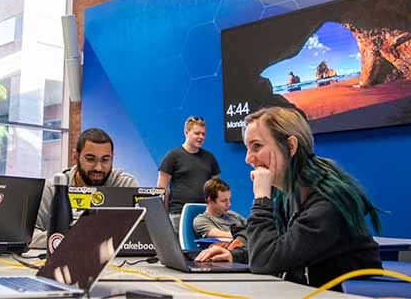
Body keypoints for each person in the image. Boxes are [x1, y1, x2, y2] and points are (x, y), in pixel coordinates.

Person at [195, 107, 381, 289]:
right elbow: (272, 246)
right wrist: (234, 255)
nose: (248, 158)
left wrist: (261, 199)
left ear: (291, 146)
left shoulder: (328, 202)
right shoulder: (286, 196)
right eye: (247, 148)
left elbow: (265, 261)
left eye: (257, 146)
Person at [32, 128, 139, 248]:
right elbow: (30, 236)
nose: (98, 167)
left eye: (105, 160)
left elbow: (141, 235)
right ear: (75, 156)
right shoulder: (53, 189)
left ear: (112, 157)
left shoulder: (124, 186)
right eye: (90, 159)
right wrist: (73, 237)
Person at [157, 116, 220, 226]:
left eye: (203, 134)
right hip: (178, 214)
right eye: (197, 133)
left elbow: (215, 189)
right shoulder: (172, 156)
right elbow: (162, 189)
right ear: (186, 133)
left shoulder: (210, 158)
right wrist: (163, 216)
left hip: (204, 215)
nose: (201, 137)